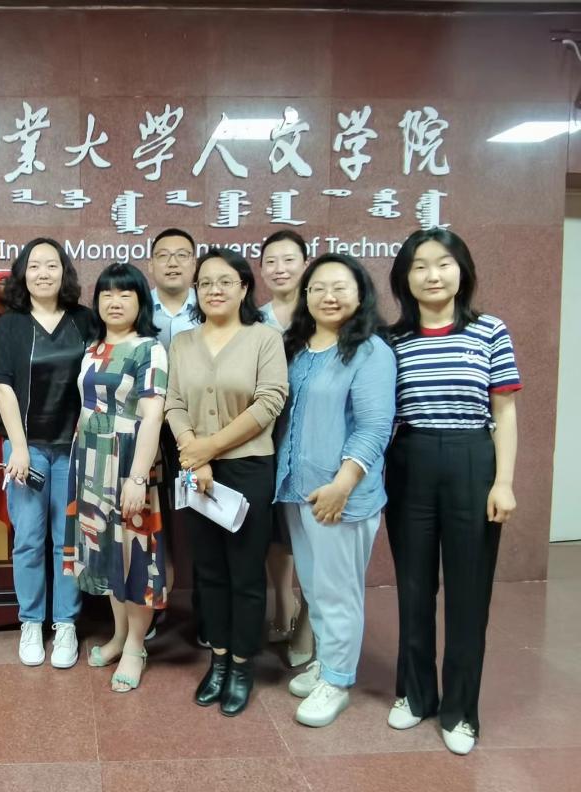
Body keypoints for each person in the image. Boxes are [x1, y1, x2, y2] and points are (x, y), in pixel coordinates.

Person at [384, 228, 520, 756]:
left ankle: (462, 711)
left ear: (462, 271)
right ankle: (416, 694)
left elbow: (505, 411)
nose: (432, 275)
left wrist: (503, 482)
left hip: (472, 461)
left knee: (469, 593)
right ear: (405, 278)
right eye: (419, 266)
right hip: (410, 459)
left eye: (443, 263)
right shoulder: (393, 340)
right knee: (414, 588)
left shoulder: (489, 330)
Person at [165, 248, 288, 716]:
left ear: (243, 288)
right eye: (206, 283)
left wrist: (208, 449)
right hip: (195, 468)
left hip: (248, 467)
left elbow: (269, 401)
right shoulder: (183, 343)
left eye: (225, 282)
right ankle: (217, 660)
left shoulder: (264, 339)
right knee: (209, 570)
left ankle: (241, 665)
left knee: (246, 573)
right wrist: (193, 452)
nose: (214, 290)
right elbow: (174, 403)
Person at [275, 253, 396, 728]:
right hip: (297, 490)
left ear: (360, 293)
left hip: (338, 495)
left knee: (339, 592)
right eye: (318, 288)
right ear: (305, 296)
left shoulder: (369, 351)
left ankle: (338, 681)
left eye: (340, 287)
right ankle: (327, 663)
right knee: (314, 586)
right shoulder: (298, 348)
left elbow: (374, 427)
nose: (329, 296)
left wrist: (342, 485)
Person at [63, 262, 168, 693]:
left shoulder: (149, 349)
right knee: (107, 553)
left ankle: (136, 647)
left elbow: (153, 415)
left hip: (128, 462)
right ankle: (120, 635)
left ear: (141, 301)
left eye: (126, 293)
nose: (115, 301)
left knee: (134, 556)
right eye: (107, 293)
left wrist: (138, 477)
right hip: (90, 461)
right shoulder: (92, 348)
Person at [0, 238, 92, 669]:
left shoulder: (84, 320)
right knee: (29, 539)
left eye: (52, 265)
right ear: (23, 274)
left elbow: (98, 379)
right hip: (26, 449)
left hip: (74, 448)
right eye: (34, 266)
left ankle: (65, 623)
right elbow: (2, 385)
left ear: (64, 272)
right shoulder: (11, 324)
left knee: (67, 540)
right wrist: (18, 447)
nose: (43, 273)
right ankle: (31, 620)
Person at [259, 230, 314, 667]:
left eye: (289, 259)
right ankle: (282, 604)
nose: (280, 269)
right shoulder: (255, 320)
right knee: (275, 533)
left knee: (310, 536)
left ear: (306, 263)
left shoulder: (322, 314)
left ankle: (307, 623)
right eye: (271, 261)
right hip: (265, 438)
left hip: (313, 440)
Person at [148, 227, 200, 643]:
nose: (172, 263)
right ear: (151, 264)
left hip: (198, 432)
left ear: (194, 263)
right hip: (148, 431)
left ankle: (206, 608)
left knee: (201, 517)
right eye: (164, 255)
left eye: (182, 255)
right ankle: (154, 606)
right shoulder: (136, 304)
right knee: (153, 519)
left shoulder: (211, 305)